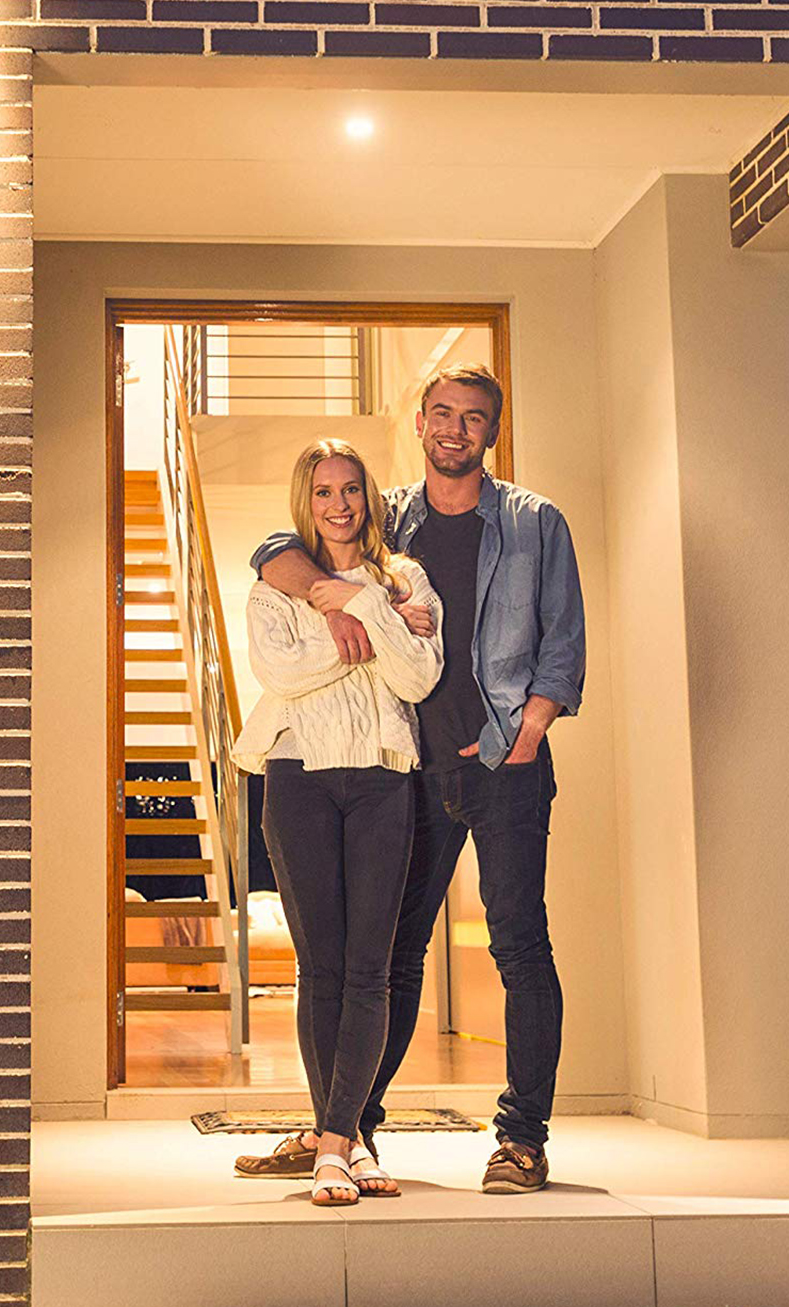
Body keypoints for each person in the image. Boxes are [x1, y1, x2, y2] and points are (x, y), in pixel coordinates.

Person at [242, 364, 585, 1195]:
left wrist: (530, 731)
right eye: (442, 413)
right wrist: (337, 595)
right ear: (422, 422)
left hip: (504, 764)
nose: (454, 429)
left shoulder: (534, 521)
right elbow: (275, 549)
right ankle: (347, 1128)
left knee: (519, 946)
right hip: (411, 771)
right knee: (390, 956)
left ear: (491, 431)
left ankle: (522, 1138)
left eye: (473, 417)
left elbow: (563, 640)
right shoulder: (389, 515)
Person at [231, 438, 444, 1207]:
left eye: (350, 489)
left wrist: (361, 605)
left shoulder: (405, 578)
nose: (339, 505)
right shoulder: (274, 585)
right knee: (321, 968)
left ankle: (338, 1140)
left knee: (369, 970)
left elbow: (418, 677)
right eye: (323, 492)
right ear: (306, 500)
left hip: (385, 777)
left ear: (368, 496)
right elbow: (280, 673)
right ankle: (342, 1144)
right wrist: (371, 627)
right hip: (299, 777)